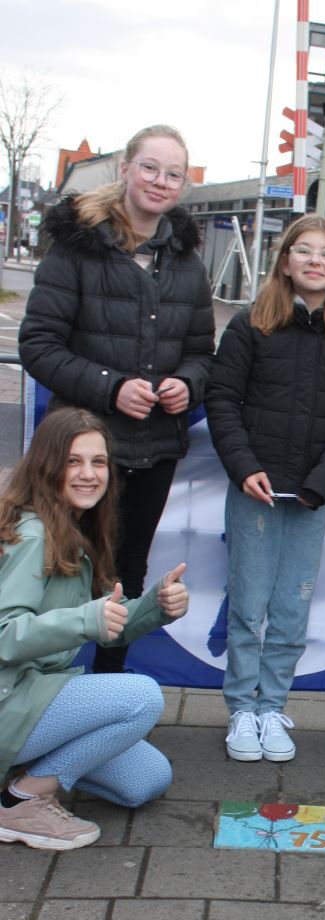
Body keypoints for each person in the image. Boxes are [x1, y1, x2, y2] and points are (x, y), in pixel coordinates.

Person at [19, 124, 214, 677]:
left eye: (173, 173)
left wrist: (188, 383)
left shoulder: (187, 263)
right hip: (78, 450)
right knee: (51, 567)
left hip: (153, 449)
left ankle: (104, 694)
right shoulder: (77, 248)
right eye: (150, 167)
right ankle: (32, 698)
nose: (160, 181)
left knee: (124, 573)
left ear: (184, 184)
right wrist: (110, 386)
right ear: (126, 169)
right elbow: (37, 344)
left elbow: (204, 353)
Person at [206, 215, 325, 764]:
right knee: (248, 604)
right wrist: (243, 466)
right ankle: (241, 710)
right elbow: (223, 399)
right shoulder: (251, 325)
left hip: (309, 496)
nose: (316, 261)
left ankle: (273, 705)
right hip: (254, 489)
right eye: (305, 251)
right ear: (285, 260)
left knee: (291, 607)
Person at [0, 407, 190, 852]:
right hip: (10, 699)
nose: (89, 474)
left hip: (30, 696)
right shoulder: (33, 535)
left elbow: (111, 625)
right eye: (74, 461)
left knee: (147, 779)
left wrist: (156, 605)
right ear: (47, 467)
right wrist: (84, 620)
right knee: (141, 696)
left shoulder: (76, 526)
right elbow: (5, 633)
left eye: (98, 462)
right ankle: (20, 801)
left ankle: (20, 773)